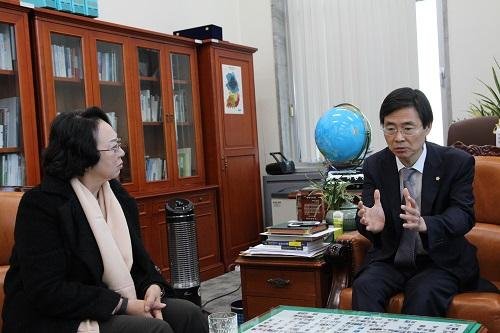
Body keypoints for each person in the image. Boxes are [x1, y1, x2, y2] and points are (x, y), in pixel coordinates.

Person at [2, 107, 208, 333]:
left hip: (116, 301)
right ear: (84, 155)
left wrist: (153, 287)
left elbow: (141, 265)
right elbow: (48, 291)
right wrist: (124, 305)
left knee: (189, 315)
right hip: (57, 317)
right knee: (153, 330)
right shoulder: (42, 205)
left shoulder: (118, 197)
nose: (122, 153)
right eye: (114, 147)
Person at [352, 87, 484, 317]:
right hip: (391, 259)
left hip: (439, 260)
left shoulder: (456, 163)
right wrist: (370, 223)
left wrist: (425, 223)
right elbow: (368, 215)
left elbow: (463, 215)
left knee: (423, 293)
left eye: (408, 128)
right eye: (390, 128)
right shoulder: (375, 165)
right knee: (365, 286)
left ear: (427, 127)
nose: (398, 137)